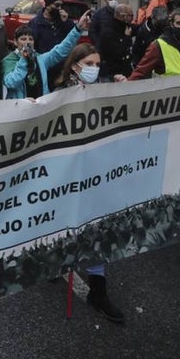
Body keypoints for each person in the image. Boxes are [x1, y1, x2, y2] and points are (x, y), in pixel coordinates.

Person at [50, 43, 126, 321]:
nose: (94, 69)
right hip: (69, 175)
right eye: (89, 64)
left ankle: (98, 288)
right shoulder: (60, 96)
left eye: (97, 64)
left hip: (97, 173)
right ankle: (55, 262)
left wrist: (126, 90)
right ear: (74, 66)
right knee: (64, 225)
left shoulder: (104, 90)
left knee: (97, 230)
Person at [2, 12, 91, 100]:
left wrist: (77, 29)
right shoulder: (10, 60)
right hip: (20, 107)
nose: (27, 42)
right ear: (15, 42)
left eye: (31, 39)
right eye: (23, 39)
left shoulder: (40, 59)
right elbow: (11, 83)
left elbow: (60, 50)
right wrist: (24, 60)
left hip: (40, 106)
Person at [128, 9, 180, 80]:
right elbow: (141, 71)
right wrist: (125, 87)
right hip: (167, 91)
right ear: (172, 24)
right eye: (179, 23)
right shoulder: (158, 45)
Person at [96, 2, 135, 80]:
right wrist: (126, 37)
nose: (133, 18)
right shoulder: (109, 32)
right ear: (123, 16)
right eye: (131, 15)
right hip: (111, 73)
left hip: (125, 72)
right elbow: (117, 53)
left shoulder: (125, 27)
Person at [130, 5, 168, 70]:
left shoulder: (168, 27)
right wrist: (136, 65)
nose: (162, 24)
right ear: (152, 17)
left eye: (164, 21)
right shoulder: (143, 30)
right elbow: (137, 50)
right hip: (147, 63)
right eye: (160, 22)